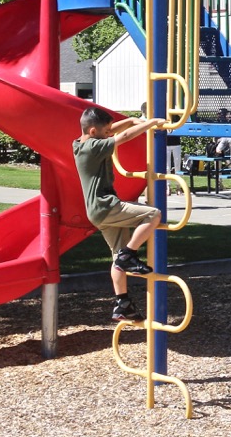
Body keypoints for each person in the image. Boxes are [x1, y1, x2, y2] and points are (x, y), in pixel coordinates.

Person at [72, 107, 165, 322]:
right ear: (93, 131)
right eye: (106, 132)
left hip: (96, 211)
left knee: (116, 257)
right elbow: (123, 137)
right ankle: (129, 254)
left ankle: (123, 304)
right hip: (106, 206)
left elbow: (113, 129)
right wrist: (150, 124)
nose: (110, 133)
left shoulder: (79, 144)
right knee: (153, 214)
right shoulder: (94, 147)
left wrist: (131, 120)